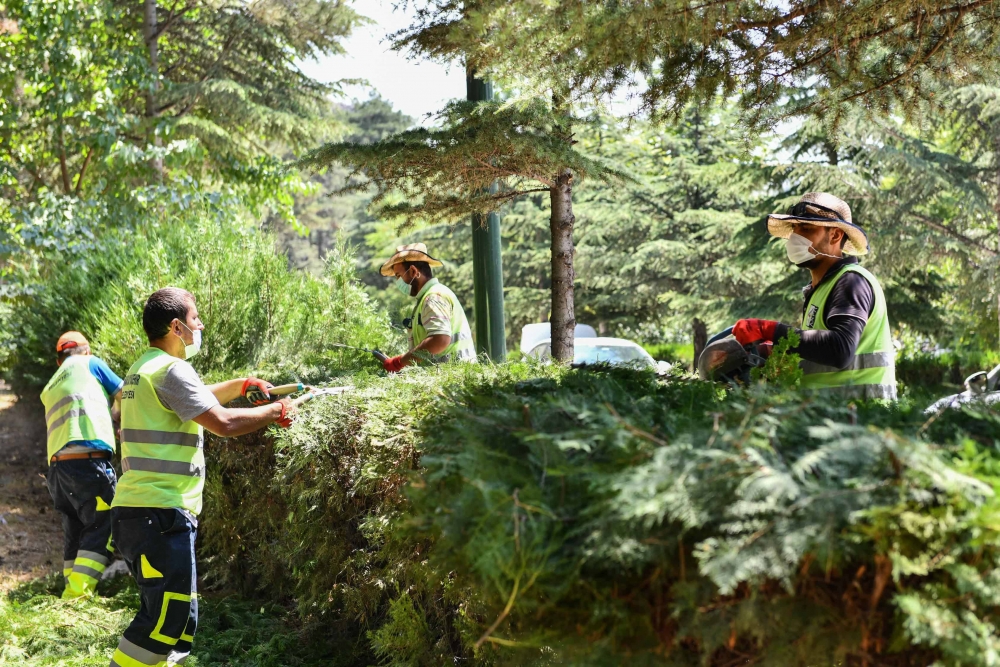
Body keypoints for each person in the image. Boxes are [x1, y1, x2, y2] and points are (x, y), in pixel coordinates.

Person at [109, 287, 294, 667]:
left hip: (147, 513)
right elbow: (223, 423)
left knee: (179, 621)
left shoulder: (144, 368)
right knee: (163, 622)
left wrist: (242, 385)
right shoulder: (171, 369)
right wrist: (276, 411)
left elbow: (195, 397)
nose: (201, 325)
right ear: (177, 326)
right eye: (196, 319)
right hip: (157, 513)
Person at [732, 192, 896, 400]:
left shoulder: (850, 282)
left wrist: (770, 329)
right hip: (833, 417)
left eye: (807, 228)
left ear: (835, 235)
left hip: (860, 417)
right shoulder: (821, 289)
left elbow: (840, 350)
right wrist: (780, 352)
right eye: (795, 228)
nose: (795, 236)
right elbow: (822, 354)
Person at [39, 331, 123, 598]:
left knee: (75, 527)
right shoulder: (91, 363)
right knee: (104, 524)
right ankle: (77, 594)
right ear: (87, 351)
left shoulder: (50, 384)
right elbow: (126, 393)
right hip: (89, 464)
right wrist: (118, 415)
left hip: (58, 470)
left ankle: (70, 585)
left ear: (58, 361)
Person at [378, 243, 476, 371]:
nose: (398, 282)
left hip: (453, 378)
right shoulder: (428, 297)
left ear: (413, 271)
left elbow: (440, 339)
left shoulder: (434, 297)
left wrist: (400, 362)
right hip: (451, 376)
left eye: (398, 275)